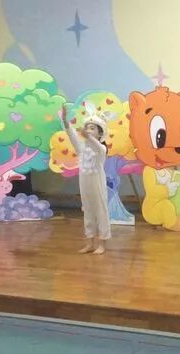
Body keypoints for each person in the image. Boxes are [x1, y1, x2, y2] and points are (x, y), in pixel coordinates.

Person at [61, 102, 114, 254]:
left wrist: (88, 137)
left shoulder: (101, 149)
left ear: (100, 134)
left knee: (101, 211)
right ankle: (89, 243)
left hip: (97, 185)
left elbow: (97, 146)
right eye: (87, 127)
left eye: (93, 128)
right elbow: (72, 135)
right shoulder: (82, 149)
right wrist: (65, 120)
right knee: (87, 211)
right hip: (85, 185)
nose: (89, 130)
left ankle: (102, 243)